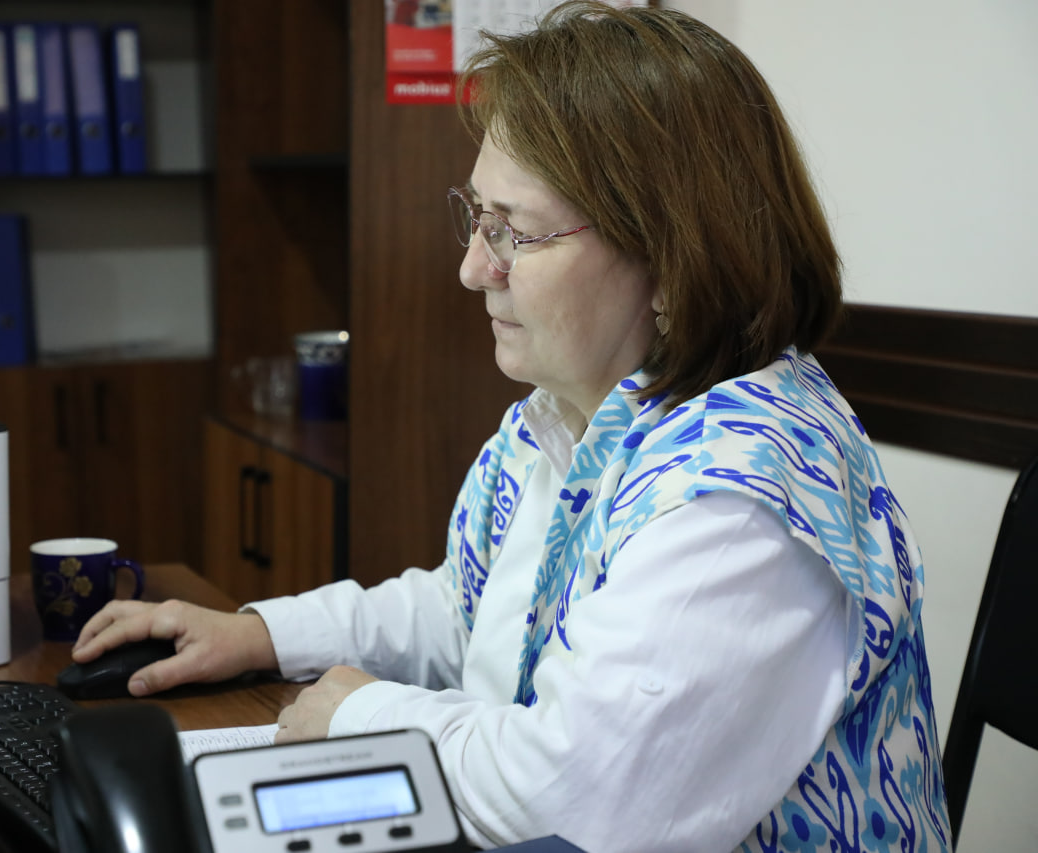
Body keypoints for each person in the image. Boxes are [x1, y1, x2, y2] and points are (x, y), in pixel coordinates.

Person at [72, 3, 953, 850]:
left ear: (669, 257)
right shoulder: (575, 414)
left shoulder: (741, 498)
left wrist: (360, 712)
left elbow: (574, 797)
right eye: (476, 218)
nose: (472, 268)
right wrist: (261, 634)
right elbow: (471, 608)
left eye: (514, 233)